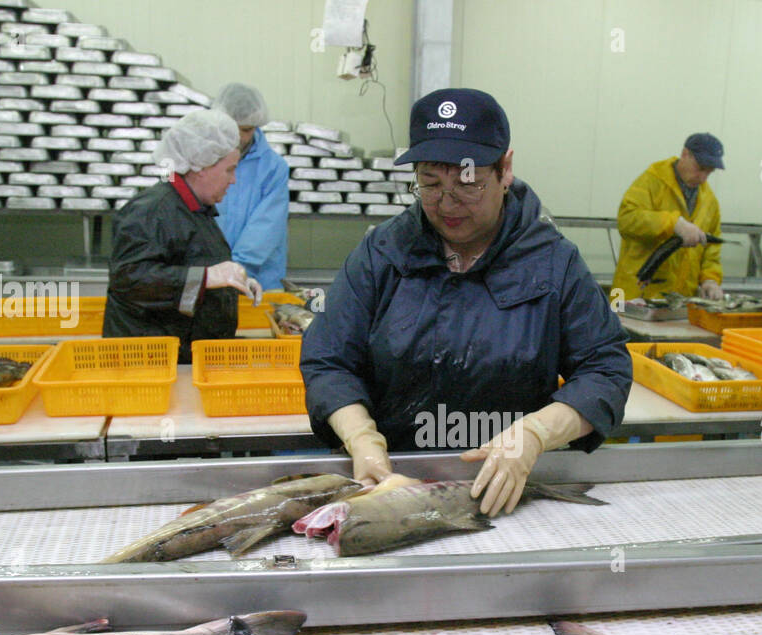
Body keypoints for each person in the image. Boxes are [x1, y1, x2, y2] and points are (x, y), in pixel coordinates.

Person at [300, 88, 631, 518]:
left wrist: (533, 434)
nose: (447, 203)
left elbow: (606, 369)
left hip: (509, 490)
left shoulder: (552, 263)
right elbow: (329, 358)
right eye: (430, 184)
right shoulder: (382, 253)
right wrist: (362, 438)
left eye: (468, 183)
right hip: (392, 487)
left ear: (505, 170)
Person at [103, 109, 261, 364]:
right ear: (201, 167)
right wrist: (208, 277)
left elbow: (189, 266)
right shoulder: (152, 211)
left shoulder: (196, 210)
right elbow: (129, 279)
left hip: (187, 357)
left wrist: (232, 281)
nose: (233, 180)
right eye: (230, 170)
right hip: (151, 365)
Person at [610, 133, 725, 305]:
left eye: (709, 172)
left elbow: (711, 250)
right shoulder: (652, 181)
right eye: (700, 168)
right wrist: (673, 224)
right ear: (685, 154)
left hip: (678, 303)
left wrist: (710, 279)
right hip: (634, 297)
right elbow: (627, 220)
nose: (703, 178)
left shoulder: (709, 201)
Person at [213, 83, 290, 292]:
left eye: (248, 129)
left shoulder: (274, 168)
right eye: (237, 128)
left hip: (259, 281)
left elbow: (266, 227)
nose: (242, 136)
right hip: (212, 276)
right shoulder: (205, 160)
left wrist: (237, 270)